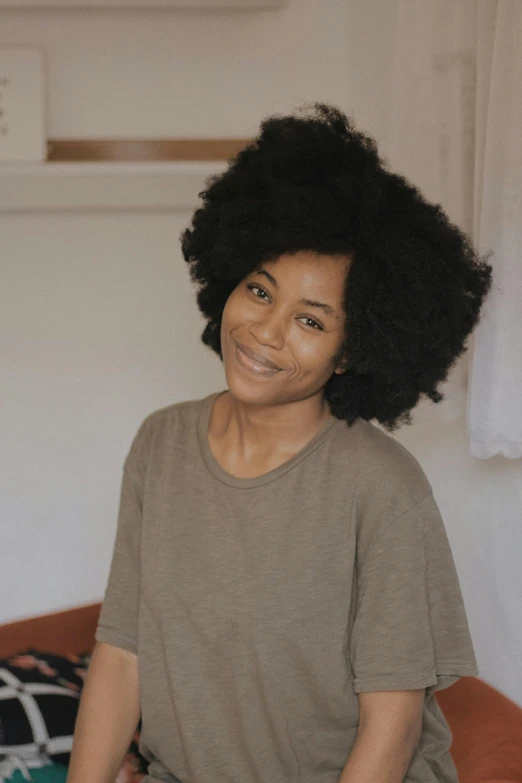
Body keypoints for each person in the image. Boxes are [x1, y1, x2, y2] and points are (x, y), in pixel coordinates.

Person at [67, 102, 492, 783]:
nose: (266, 331)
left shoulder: (382, 485)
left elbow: (395, 723)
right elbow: (123, 653)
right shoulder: (161, 444)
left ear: (352, 352)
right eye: (260, 289)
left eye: (310, 320)